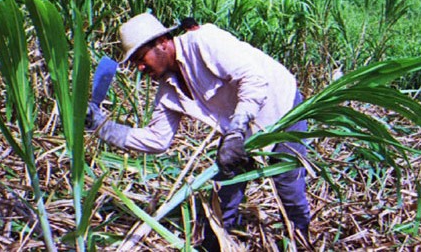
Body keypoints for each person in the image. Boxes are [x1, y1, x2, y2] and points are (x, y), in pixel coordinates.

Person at [87, 13, 311, 250]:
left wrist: (235, 132)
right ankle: (216, 245)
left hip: (281, 110)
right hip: (241, 129)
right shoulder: (168, 90)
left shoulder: (204, 42)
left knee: (289, 187)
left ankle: (300, 241)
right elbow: (157, 139)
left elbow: (254, 79)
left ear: (162, 42)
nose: (140, 67)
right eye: (135, 63)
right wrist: (103, 127)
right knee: (223, 196)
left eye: (141, 58)